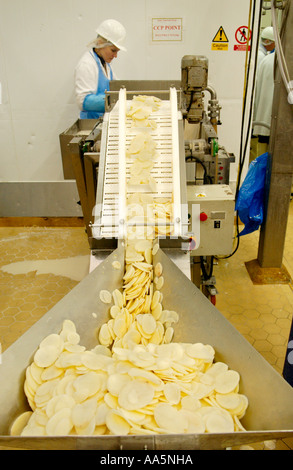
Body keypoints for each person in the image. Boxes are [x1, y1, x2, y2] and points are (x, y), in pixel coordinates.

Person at [75, 19, 126, 119]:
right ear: (100, 43)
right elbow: (82, 101)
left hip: (102, 120)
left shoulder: (105, 63)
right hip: (91, 125)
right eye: (113, 50)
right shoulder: (87, 64)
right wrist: (112, 100)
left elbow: (115, 85)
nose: (115, 55)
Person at [252, 50, 275, 158]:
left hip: (263, 117)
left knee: (261, 156)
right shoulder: (286, 62)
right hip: (279, 122)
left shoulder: (266, 59)